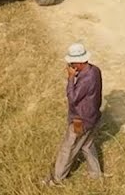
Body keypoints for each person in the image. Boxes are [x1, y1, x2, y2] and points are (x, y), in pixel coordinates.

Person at [45, 43, 106, 185]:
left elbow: (72, 98)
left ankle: (57, 178)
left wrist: (71, 78)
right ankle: (96, 175)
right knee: (87, 145)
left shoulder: (85, 80)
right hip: (92, 117)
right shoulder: (95, 70)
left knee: (68, 147)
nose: (71, 66)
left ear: (78, 63)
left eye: (72, 63)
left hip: (80, 121)